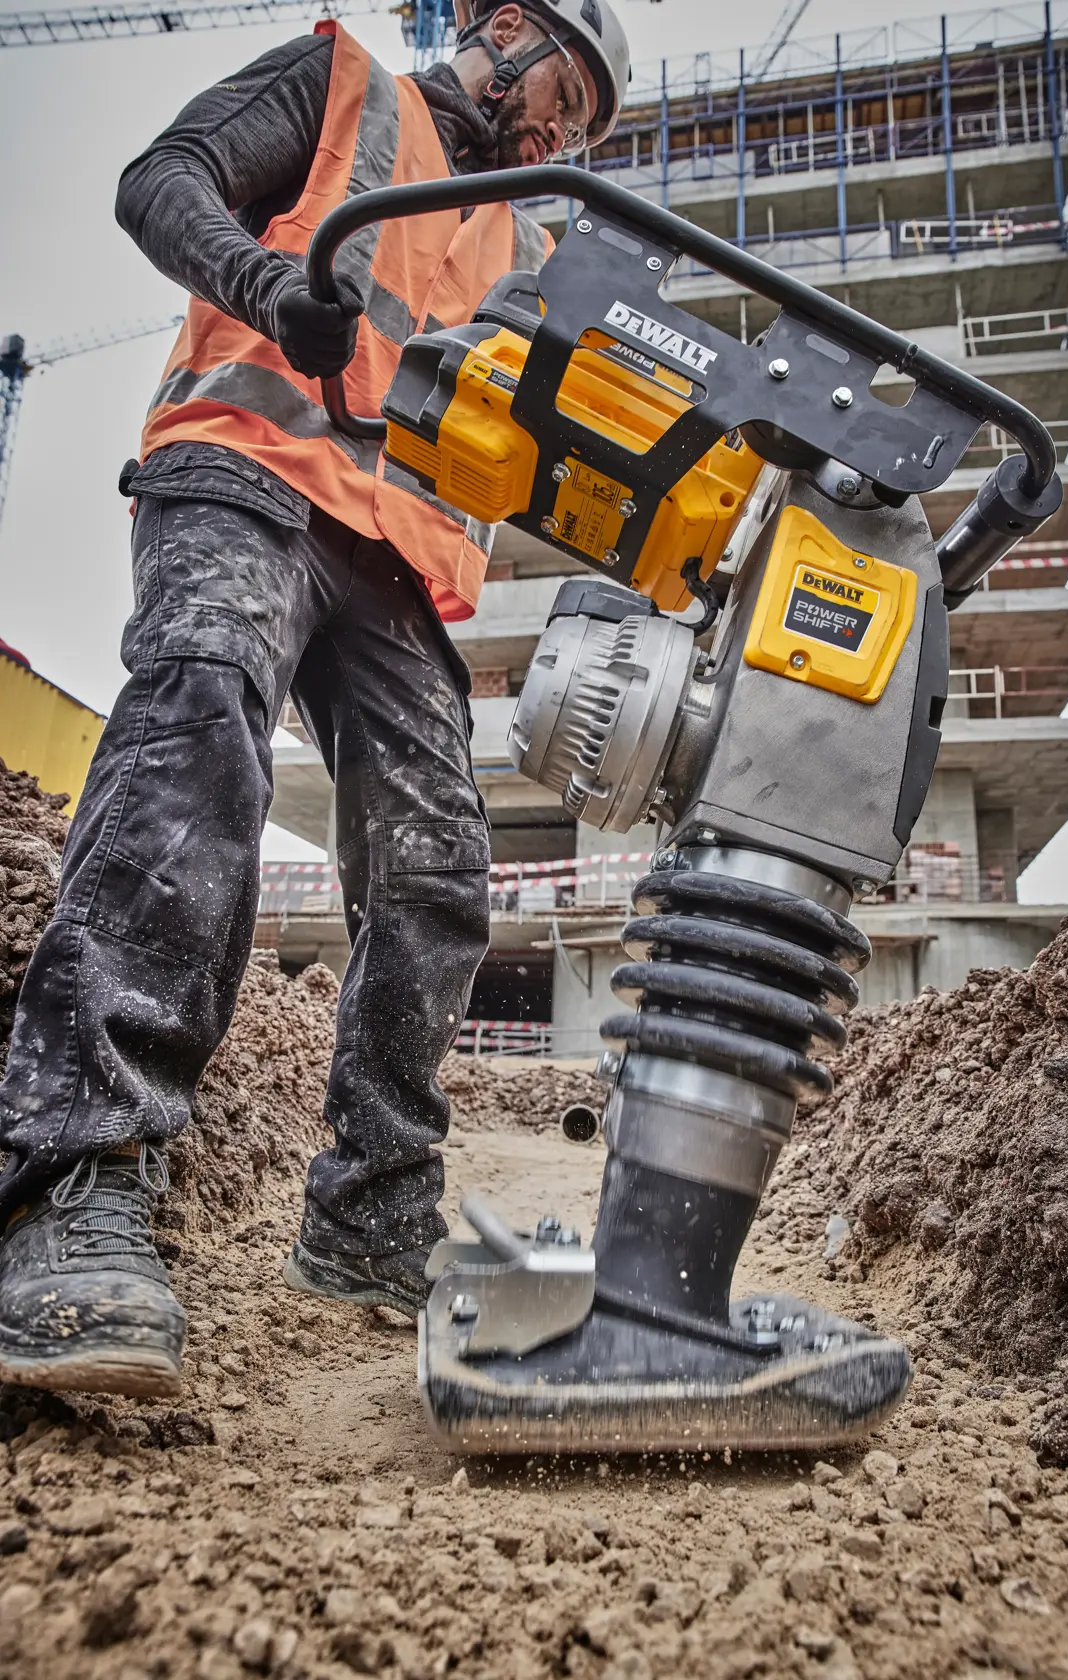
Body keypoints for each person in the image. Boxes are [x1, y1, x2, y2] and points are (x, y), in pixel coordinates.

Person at [0, 0, 629, 1400]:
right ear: (504, 30)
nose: (558, 135)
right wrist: (267, 285)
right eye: (563, 97)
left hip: (393, 559)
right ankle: (71, 1184)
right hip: (244, 466)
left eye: (583, 127)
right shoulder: (344, 87)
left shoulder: (530, 236)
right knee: (199, 726)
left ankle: (373, 1219)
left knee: (440, 868)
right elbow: (159, 181)